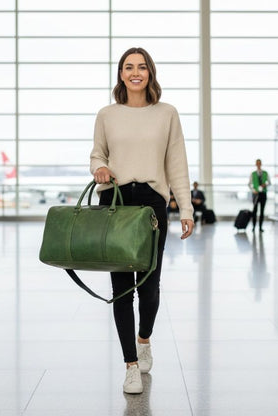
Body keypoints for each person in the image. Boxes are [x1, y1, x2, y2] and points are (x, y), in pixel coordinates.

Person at [90, 47, 194, 394]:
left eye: (142, 67)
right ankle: (130, 365)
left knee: (149, 289)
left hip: (152, 203)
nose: (136, 72)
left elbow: (177, 164)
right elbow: (97, 153)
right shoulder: (107, 114)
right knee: (121, 289)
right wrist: (99, 168)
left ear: (151, 73)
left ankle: (144, 338)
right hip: (116, 199)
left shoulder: (167, 114)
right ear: (121, 74)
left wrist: (187, 210)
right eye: (129, 67)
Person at [248, 159, 270, 232]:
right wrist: (253, 190)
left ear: (261, 164)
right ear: (256, 164)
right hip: (255, 194)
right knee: (255, 210)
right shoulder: (253, 174)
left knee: (262, 211)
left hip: (263, 193)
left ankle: (260, 227)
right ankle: (254, 227)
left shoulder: (265, 173)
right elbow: (249, 184)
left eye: (259, 163)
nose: (258, 165)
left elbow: (269, 182)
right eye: (257, 163)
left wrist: (265, 184)